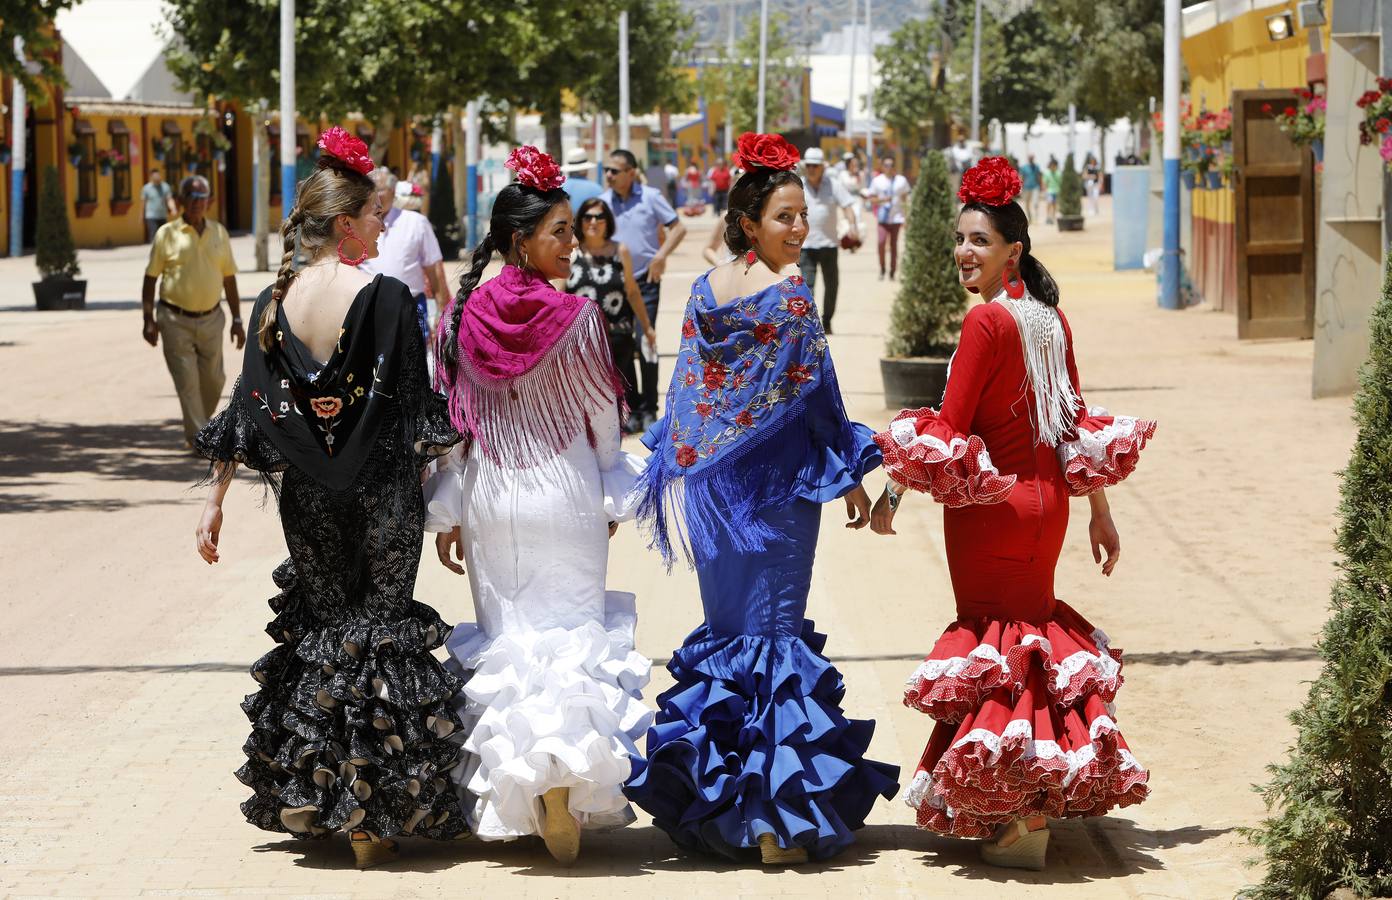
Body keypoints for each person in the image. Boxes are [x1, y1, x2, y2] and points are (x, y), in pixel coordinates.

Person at [192, 127, 467, 868]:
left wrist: (215, 498)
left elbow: (246, 407)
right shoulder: (385, 298)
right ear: (345, 223)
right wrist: (452, 501)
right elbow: (417, 411)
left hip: (307, 494)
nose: (385, 224)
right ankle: (372, 818)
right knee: (380, 631)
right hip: (381, 494)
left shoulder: (274, 299)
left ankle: (331, 795)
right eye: (376, 214)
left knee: (328, 629)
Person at [869, 157, 1154, 870]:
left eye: (979, 241)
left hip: (991, 512)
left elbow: (949, 426)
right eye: (960, 240)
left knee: (999, 652)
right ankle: (1029, 806)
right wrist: (1099, 512)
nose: (965, 252)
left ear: (1012, 253)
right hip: (1048, 505)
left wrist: (890, 497)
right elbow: (1074, 427)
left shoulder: (988, 324)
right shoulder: (1049, 321)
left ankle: (1023, 816)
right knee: (1034, 645)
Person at [624, 132, 899, 867]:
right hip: (777, 496)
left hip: (716, 494)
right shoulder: (793, 300)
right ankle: (775, 822)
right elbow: (823, 403)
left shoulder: (705, 292)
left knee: (730, 631)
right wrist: (853, 479)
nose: (799, 228)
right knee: (773, 635)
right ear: (749, 222)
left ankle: (728, 804)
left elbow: (689, 394)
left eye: (802, 215)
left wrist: (665, 461)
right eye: (784, 216)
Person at [428, 146, 651, 866]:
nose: (570, 242)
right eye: (557, 231)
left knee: (510, 643)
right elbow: (602, 420)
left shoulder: (459, 316)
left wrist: (453, 507)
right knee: (572, 640)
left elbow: (453, 427)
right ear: (520, 240)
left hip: (493, 495)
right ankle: (563, 788)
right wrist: (613, 485)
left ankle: (524, 792)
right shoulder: (578, 318)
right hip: (565, 494)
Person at [142, 175, 245, 448]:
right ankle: (200, 438)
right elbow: (150, 278)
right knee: (187, 381)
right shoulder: (167, 234)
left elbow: (229, 278)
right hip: (174, 318)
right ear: (181, 201)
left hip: (212, 317)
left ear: (209, 201)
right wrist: (148, 319)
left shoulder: (219, 232)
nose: (198, 203)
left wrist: (237, 320)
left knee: (214, 380)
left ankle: (199, 425)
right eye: (192, 197)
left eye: (203, 198)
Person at [602, 148, 687, 429]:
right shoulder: (603, 203)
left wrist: (661, 256)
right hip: (615, 283)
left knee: (645, 341)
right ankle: (632, 406)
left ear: (631, 173)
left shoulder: (650, 198)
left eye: (614, 170)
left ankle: (650, 407)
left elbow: (678, 228)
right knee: (621, 344)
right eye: (607, 170)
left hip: (645, 282)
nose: (609, 176)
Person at [569, 196, 658, 433]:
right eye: (588, 217)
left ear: (608, 221)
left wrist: (647, 327)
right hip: (582, 339)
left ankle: (625, 424)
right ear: (580, 221)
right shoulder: (571, 253)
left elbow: (632, 291)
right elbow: (558, 294)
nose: (593, 222)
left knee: (619, 387)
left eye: (599, 216)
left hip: (618, 335)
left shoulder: (621, 251)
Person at [360, 167, 449, 348]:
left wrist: (442, 312)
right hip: (369, 308)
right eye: (371, 190)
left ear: (393, 191)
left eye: (380, 189)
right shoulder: (357, 224)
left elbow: (434, 271)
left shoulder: (416, 223)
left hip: (410, 308)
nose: (375, 195)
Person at [797, 147, 859, 334]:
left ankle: (827, 321)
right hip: (805, 245)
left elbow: (847, 206)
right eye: (808, 165)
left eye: (815, 165)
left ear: (822, 167)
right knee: (807, 286)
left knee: (832, 285)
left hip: (829, 244)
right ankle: (811, 324)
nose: (812, 169)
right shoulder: (798, 186)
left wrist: (852, 226)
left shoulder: (834, 185)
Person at [869, 155, 910, 281]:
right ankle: (882, 268)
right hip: (883, 217)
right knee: (881, 243)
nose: (889, 167)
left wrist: (906, 215)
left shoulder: (901, 180)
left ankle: (892, 271)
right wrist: (883, 200)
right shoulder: (877, 181)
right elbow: (872, 199)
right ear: (882, 167)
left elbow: (904, 198)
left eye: (891, 165)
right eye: (886, 165)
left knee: (894, 245)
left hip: (896, 217)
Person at [141, 168, 176, 242]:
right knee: (154, 237)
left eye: (158, 175)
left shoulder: (165, 186)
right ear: (151, 177)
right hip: (151, 216)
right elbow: (143, 203)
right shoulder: (146, 188)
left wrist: (173, 208)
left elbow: (169, 199)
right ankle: (154, 252)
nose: (157, 177)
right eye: (155, 176)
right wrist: (142, 216)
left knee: (164, 236)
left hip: (162, 215)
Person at [1019, 154, 1042, 221]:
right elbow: (1021, 178)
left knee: (1035, 202)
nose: (1031, 159)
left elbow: (1039, 177)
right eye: (1030, 158)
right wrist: (1020, 187)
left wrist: (1041, 186)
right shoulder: (1024, 167)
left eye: (1032, 158)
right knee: (1026, 204)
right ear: (1028, 159)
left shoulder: (1037, 167)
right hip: (1026, 188)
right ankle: (1030, 218)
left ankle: (1036, 218)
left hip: (1035, 187)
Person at [1042, 157, 1062, 225]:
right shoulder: (1047, 173)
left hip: (1057, 191)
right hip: (1049, 191)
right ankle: (1048, 217)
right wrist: (1045, 191)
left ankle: (1053, 217)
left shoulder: (1059, 173)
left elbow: (1061, 183)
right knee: (1049, 203)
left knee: (1055, 205)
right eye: (1051, 165)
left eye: (1054, 165)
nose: (1052, 167)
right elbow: (1044, 182)